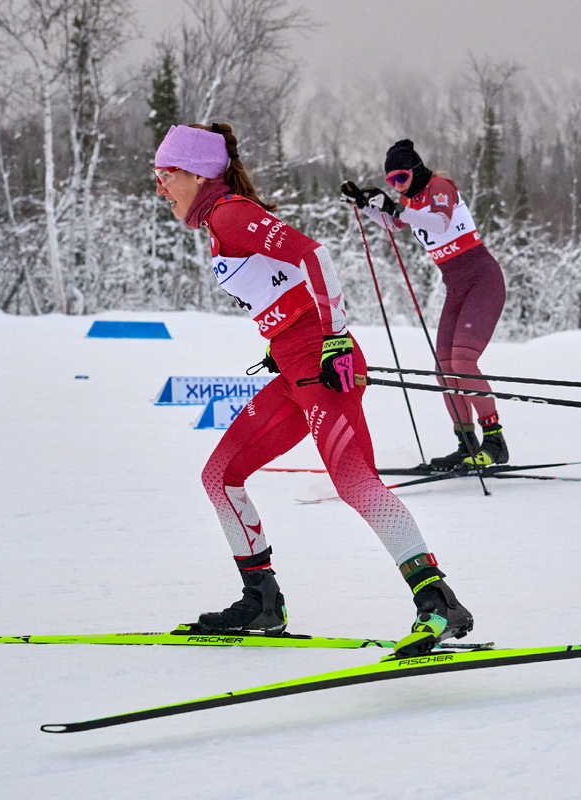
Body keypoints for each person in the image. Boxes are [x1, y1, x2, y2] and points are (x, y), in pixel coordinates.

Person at [153, 122, 472, 658]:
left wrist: (335, 339)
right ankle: (261, 601)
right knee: (220, 476)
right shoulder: (216, 220)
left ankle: (437, 602)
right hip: (295, 370)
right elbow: (285, 285)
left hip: (325, 367)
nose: (159, 187)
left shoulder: (230, 212)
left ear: (194, 172)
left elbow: (314, 256)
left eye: (164, 175)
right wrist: (287, 338)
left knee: (355, 483)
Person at [342, 139, 509, 470]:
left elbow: (439, 223)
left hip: (483, 282)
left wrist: (396, 206)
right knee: (443, 367)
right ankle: (467, 444)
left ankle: (495, 443)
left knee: (463, 361)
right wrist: (365, 205)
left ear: (415, 169)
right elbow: (395, 223)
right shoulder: (410, 199)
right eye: (391, 181)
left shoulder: (439, 186)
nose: (397, 185)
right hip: (456, 287)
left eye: (400, 177)